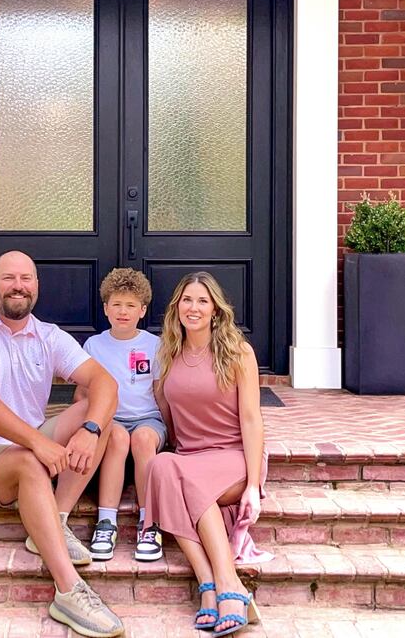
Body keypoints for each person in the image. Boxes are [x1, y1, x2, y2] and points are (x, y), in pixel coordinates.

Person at [0, 250, 124, 638]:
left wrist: (90, 430)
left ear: (36, 286)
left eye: (26, 279)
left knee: (102, 420)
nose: (18, 286)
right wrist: (39, 443)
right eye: (8, 278)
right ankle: (68, 591)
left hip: (24, 447)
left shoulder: (48, 335)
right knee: (29, 462)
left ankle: (55, 522)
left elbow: (106, 382)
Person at [143, 272, 272, 636]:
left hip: (234, 456)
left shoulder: (236, 350)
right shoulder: (168, 352)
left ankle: (226, 583)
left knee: (184, 480)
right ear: (176, 308)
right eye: (187, 300)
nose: (193, 307)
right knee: (162, 464)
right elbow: (168, 413)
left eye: (202, 301)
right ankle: (210, 585)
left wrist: (250, 486)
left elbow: (251, 418)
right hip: (191, 459)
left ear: (215, 308)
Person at [74, 268, 166, 562]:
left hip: (148, 419)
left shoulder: (155, 345)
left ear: (142, 310)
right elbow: (83, 393)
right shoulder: (95, 346)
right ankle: (106, 522)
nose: (123, 311)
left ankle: (149, 522)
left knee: (140, 439)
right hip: (111, 419)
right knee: (115, 437)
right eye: (116, 304)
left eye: (130, 305)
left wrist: (173, 429)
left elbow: (161, 392)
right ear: (105, 308)